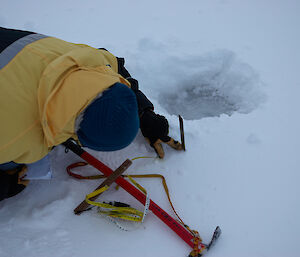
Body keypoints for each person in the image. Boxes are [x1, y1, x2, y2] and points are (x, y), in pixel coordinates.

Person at [0, 27, 183, 202]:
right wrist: (5, 186)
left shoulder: (88, 62)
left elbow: (115, 68)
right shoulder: (12, 137)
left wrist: (143, 113)